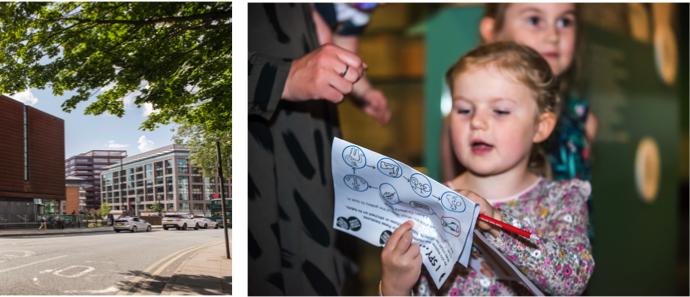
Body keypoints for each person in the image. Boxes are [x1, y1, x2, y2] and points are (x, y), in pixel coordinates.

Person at [379, 41, 593, 297]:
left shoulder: (562, 199)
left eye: (500, 111)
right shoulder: (428, 203)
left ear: (540, 127)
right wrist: (394, 286)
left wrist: (496, 224)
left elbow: (572, 280)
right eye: (464, 110)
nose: (477, 122)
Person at [247, 2, 368, 296]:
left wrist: (367, 93)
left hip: (313, 155)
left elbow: (337, 45)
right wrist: (284, 77)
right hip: (265, 150)